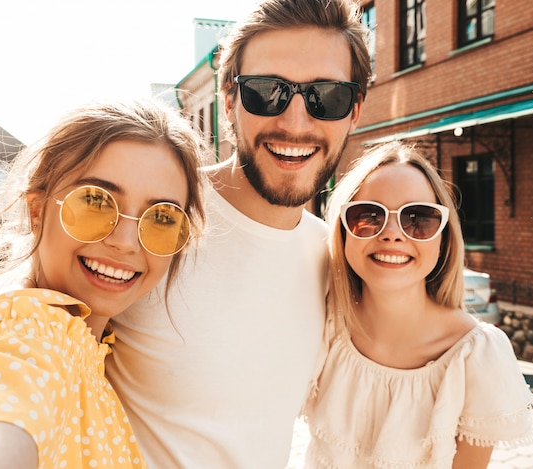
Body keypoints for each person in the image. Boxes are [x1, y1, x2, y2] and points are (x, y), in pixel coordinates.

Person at [105, 0, 371, 467]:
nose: (295, 122)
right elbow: (28, 342)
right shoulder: (155, 218)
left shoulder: (328, 253)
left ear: (352, 112)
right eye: (267, 92)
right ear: (229, 102)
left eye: (326, 96)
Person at [0, 99, 208, 468]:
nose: (126, 242)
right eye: (96, 201)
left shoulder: (86, 344)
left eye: (161, 217)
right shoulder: (30, 336)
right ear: (37, 210)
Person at [303, 141, 533, 468]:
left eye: (418, 218)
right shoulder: (322, 324)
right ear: (343, 229)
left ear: (443, 240)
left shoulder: (473, 356)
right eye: (368, 215)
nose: (392, 234)